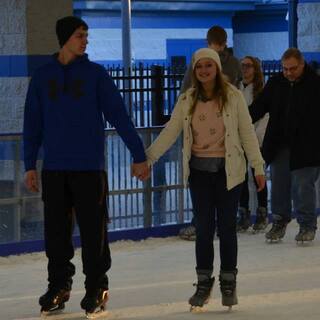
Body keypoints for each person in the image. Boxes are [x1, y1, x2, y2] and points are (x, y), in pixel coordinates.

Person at [23, 16, 149, 317]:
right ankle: (59, 286)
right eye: (80, 35)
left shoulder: (96, 75)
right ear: (66, 37)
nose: (85, 40)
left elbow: (119, 115)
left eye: (86, 35)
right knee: (56, 234)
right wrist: (29, 164)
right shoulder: (42, 77)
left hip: (89, 170)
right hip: (54, 170)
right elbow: (32, 124)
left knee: (94, 234)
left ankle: (96, 287)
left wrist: (138, 153)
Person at [146, 48, 265, 310]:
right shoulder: (187, 99)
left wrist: (258, 166)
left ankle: (228, 281)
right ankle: (203, 282)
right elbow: (170, 132)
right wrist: (148, 158)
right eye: (199, 67)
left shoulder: (233, 97)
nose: (203, 71)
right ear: (194, 70)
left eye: (208, 66)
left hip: (228, 171)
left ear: (216, 68)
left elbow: (247, 134)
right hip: (199, 173)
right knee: (203, 229)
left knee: (226, 227)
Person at [249, 48, 320, 243]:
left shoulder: (315, 85)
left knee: (303, 186)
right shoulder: (276, 84)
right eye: (285, 69)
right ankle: (279, 221)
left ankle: (307, 224)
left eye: (293, 69)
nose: (288, 72)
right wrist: (242, 120)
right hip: (279, 144)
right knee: (279, 185)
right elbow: (259, 106)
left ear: (302, 65)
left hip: (307, 146)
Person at [179, 25, 242, 241]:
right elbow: (185, 94)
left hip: (226, 146)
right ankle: (200, 224)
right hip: (201, 150)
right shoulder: (198, 67)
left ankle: (211, 224)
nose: (205, 70)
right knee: (205, 208)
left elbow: (238, 95)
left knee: (225, 220)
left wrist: (258, 163)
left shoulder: (232, 69)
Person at [237, 56, 269, 232]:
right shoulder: (236, 88)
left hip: (256, 140)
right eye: (243, 66)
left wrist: (256, 139)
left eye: (248, 66)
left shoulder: (262, 91)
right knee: (240, 177)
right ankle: (244, 213)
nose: (245, 69)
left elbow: (265, 117)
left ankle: (262, 212)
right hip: (239, 140)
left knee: (258, 176)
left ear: (256, 69)